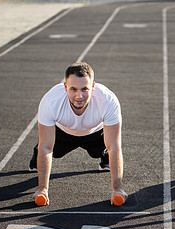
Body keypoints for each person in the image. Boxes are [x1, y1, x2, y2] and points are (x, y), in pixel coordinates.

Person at [29, 62, 127, 206]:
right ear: (65, 87)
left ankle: (103, 155)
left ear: (93, 87)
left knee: (107, 148)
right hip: (63, 132)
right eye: (73, 89)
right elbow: (46, 148)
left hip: (95, 132)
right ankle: (35, 157)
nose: (79, 96)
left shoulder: (108, 100)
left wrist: (117, 188)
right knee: (45, 149)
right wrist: (42, 188)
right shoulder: (50, 101)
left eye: (84, 89)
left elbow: (115, 146)